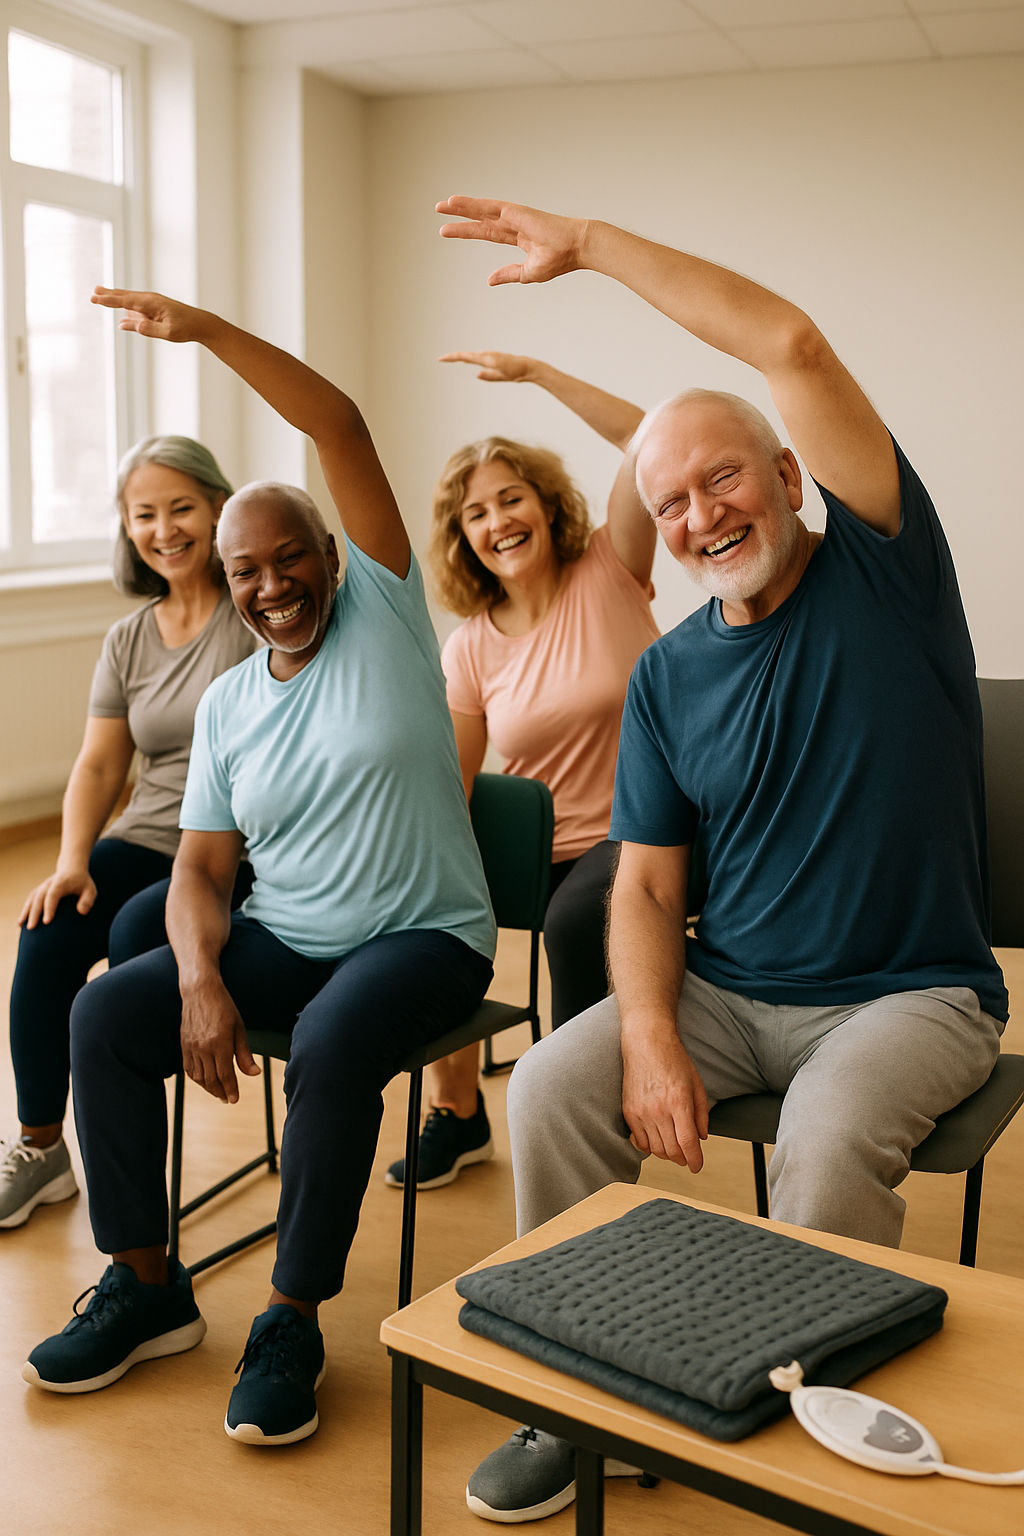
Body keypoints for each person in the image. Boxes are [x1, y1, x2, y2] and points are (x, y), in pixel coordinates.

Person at [436, 195, 1008, 1523]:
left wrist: (588, 248)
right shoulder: (669, 675)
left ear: (793, 477)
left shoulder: (886, 569)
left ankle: (809, 1420)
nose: (698, 515)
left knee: (820, 1143)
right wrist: (644, 1029)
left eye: (725, 478)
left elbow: (791, 342)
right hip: (729, 990)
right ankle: (569, 1402)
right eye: (669, 500)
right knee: (546, 1091)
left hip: (911, 996)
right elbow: (643, 885)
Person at [21, 287, 496, 1447]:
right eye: (249, 571)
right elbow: (197, 872)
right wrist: (197, 975)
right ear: (227, 582)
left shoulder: (384, 614)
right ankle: (145, 1285)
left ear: (333, 557)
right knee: (107, 1016)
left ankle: (290, 1318)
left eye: (292, 560)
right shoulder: (232, 701)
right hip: (286, 931)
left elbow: (340, 427)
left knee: (335, 1041)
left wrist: (211, 336)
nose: (272, 584)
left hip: (424, 934)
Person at [385, 350, 658, 1191]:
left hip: (643, 835)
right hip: (543, 852)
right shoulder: (469, 646)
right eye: (476, 512)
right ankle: (457, 1114)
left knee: (576, 924)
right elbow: (453, 785)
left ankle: (584, 1125)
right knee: (428, 903)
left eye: (512, 498)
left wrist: (541, 377)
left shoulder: (612, 568)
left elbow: (652, 440)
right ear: (462, 537)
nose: (498, 520)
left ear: (546, 505)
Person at [1, 437, 259, 1231]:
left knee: (135, 928)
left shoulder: (254, 608)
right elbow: (98, 766)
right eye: (144, 513)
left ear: (220, 507)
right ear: (126, 527)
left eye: (181, 507)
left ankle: (135, 1217)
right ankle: (41, 1148)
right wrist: (71, 861)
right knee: (48, 931)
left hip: (236, 849)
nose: (165, 528)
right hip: (149, 833)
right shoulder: (129, 638)